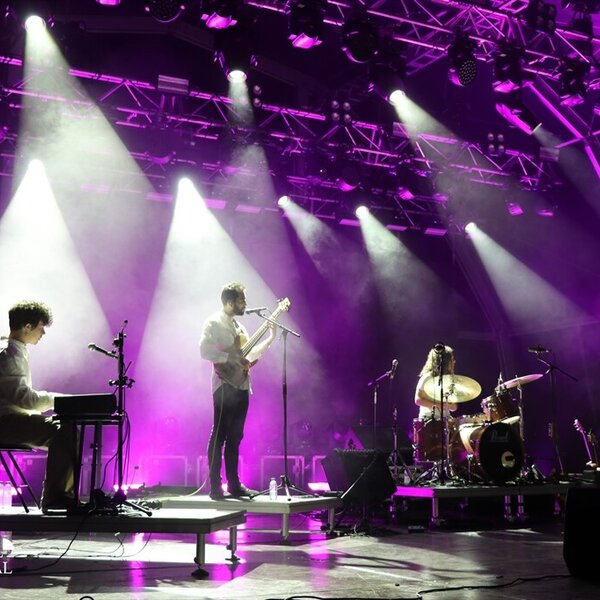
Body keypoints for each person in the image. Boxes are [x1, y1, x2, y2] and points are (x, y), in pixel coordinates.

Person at [199, 283, 277, 500]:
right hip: (224, 385)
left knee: (235, 436)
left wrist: (271, 337)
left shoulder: (240, 328)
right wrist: (230, 358)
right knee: (219, 434)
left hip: (242, 385)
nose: (245, 304)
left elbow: (248, 357)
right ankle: (215, 486)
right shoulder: (213, 322)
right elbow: (204, 350)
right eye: (242, 300)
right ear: (229, 302)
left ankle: (234, 484)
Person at [0, 300, 76, 513]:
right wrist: (60, 400)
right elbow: (24, 399)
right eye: (41, 327)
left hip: (10, 419)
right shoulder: (9, 355)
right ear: (27, 327)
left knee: (65, 429)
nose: (43, 333)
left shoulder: (14, 349)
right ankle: (55, 498)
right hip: (5, 423)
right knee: (64, 431)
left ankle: (59, 496)